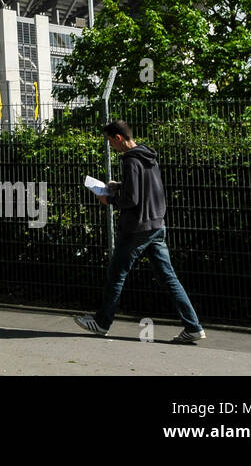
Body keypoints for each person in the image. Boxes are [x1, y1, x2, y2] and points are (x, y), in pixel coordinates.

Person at [74, 119, 206, 344]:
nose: (111, 146)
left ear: (118, 138)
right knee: (169, 277)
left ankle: (102, 322)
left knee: (116, 275)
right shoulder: (148, 155)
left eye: (110, 142)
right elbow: (144, 188)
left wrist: (109, 199)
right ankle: (193, 327)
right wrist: (119, 185)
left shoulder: (129, 160)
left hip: (137, 228)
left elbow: (131, 199)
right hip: (156, 224)